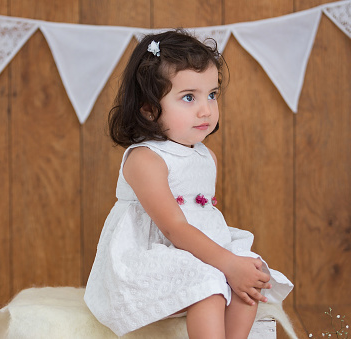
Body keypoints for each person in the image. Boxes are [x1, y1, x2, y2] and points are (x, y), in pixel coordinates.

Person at [84, 29, 293, 339]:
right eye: (188, 97)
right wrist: (227, 264)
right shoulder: (146, 160)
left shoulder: (205, 156)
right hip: (148, 259)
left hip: (195, 251)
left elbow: (202, 223)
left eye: (212, 94)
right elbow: (174, 228)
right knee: (207, 284)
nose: (206, 109)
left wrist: (237, 265)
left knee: (253, 270)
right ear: (148, 108)